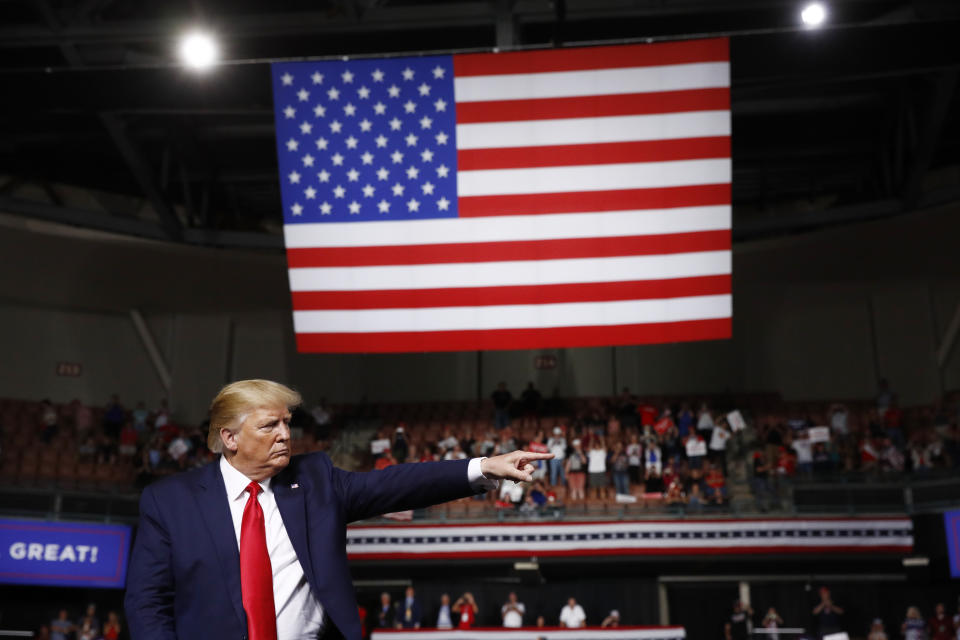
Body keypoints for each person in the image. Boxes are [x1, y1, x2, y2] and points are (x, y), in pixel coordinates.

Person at [124, 379, 552, 640]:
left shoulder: (315, 480)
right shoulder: (169, 502)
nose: (285, 435)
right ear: (230, 438)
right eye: (270, 425)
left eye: (288, 423)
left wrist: (483, 467)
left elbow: (396, 484)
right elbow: (148, 604)